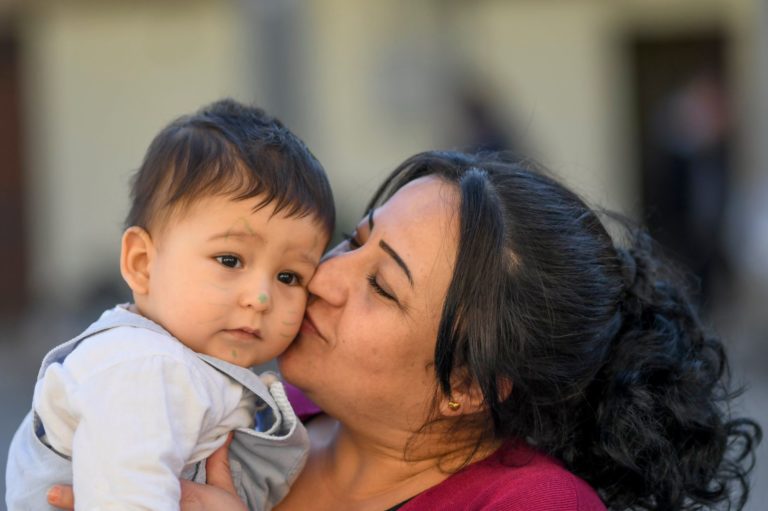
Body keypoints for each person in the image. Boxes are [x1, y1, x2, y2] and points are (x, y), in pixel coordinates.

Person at [49, 150, 760, 510]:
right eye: (355, 240)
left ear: (468, 385)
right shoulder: (255, 409)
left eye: (381, 285)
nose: (323, 277)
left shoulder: (528, 504)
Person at [6, 99, 335, 511]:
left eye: (289, 277)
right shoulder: (141, 366)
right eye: (230, 260)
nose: (261, 298)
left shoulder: (187, 365)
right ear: (142, 263)